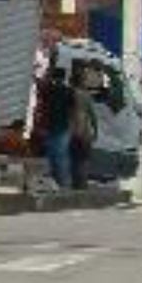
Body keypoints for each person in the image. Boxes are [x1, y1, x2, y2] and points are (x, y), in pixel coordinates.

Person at [68, 62, 99, 190]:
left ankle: (74, 183)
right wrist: (96, 131)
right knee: (83, 159)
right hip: (84, 131)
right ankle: (82, 183)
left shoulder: (69, 94)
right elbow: (93, 116)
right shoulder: (86, 96)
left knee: (72, 158)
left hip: (71, 131)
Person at [43, 67, 73, 189]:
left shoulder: (50, 90)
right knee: (61, 156)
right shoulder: (68, 91)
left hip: (50, 126)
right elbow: (72, 109)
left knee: (51, 156)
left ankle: (54, 183)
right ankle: (63, 184)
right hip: (63, 127)